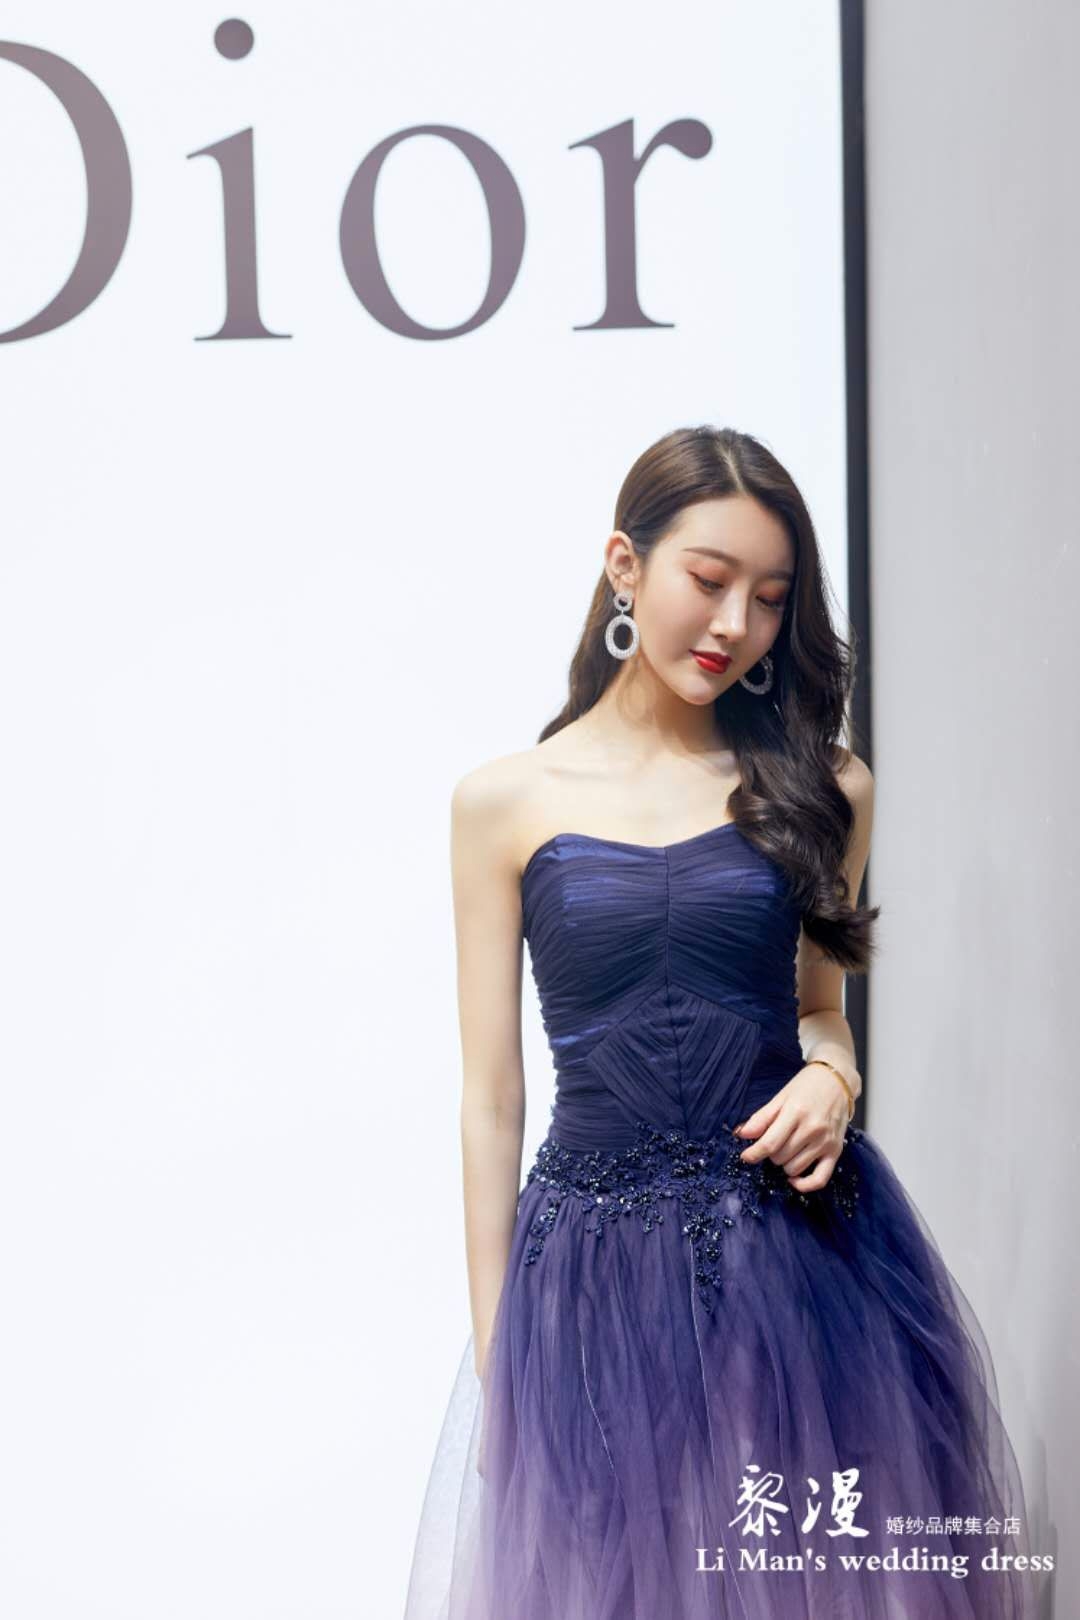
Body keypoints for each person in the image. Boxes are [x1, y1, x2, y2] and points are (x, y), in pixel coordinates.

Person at [402, 426, 1038, 1619]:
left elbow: (821, 1012)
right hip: (589, 1269)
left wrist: (834, 1079)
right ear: (625, 566)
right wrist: (501, 1360)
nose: (736, 622)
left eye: (771, 597)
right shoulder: (501, 802)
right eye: (709, 579)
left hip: (796, 1253)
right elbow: (491, 1102)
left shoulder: (827, 786)